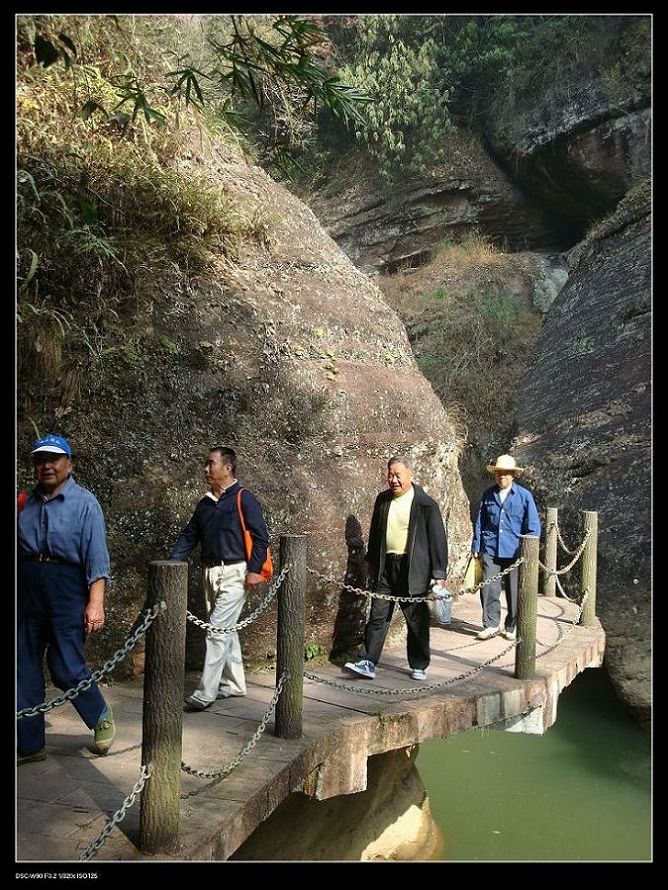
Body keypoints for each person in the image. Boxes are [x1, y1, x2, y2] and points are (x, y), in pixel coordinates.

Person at [17, 434, 115, 765]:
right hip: (28, 586)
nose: (46, 465)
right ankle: (30, 745)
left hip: (67, 586)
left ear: (68, 464)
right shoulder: (25, 503)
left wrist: (95, 601)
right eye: (40, 460)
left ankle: (99, 713)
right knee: (23, 667)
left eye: (53, 459)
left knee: (65, 666)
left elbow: (97, 557)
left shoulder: (84, 503)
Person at [170, 446, 270, 710]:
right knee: (226, 629)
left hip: (236, 572)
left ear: (227, 468)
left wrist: (254, 570)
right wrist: (171, 563)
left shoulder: (243, 498)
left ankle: (205, 694)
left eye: (210, 463)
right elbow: (189, 535)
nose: (205, 469)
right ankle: (234, 683)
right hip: (210, 572)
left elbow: (261, 536)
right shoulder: (205, 503)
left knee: (216, 630)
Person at [344, 455, 448, 681]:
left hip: (413, 569)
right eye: (390, 475)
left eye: (398, 475)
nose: (393, 480)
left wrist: (439, 574)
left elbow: (438, 540)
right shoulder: (382, 500)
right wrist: (371, 561)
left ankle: (419, 664)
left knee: (415, 619)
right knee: (377, 615)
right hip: (385, 567)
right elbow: (375, 533)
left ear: (410, 474)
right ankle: (368, 661)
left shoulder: (426, 505)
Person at [471, 453, 541, 641]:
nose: (503, 476)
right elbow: (480, 521)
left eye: (507, 473)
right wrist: (476, 545)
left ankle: (512, 625)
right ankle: (491, 624)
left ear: (513, 475)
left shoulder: (524, 496)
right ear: (495, 474)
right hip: (490, 548)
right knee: (489, 587)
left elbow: (533, 526)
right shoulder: (488, 494)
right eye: (499, 473)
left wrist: (529, 550)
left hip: (515, 550)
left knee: (515, 590)